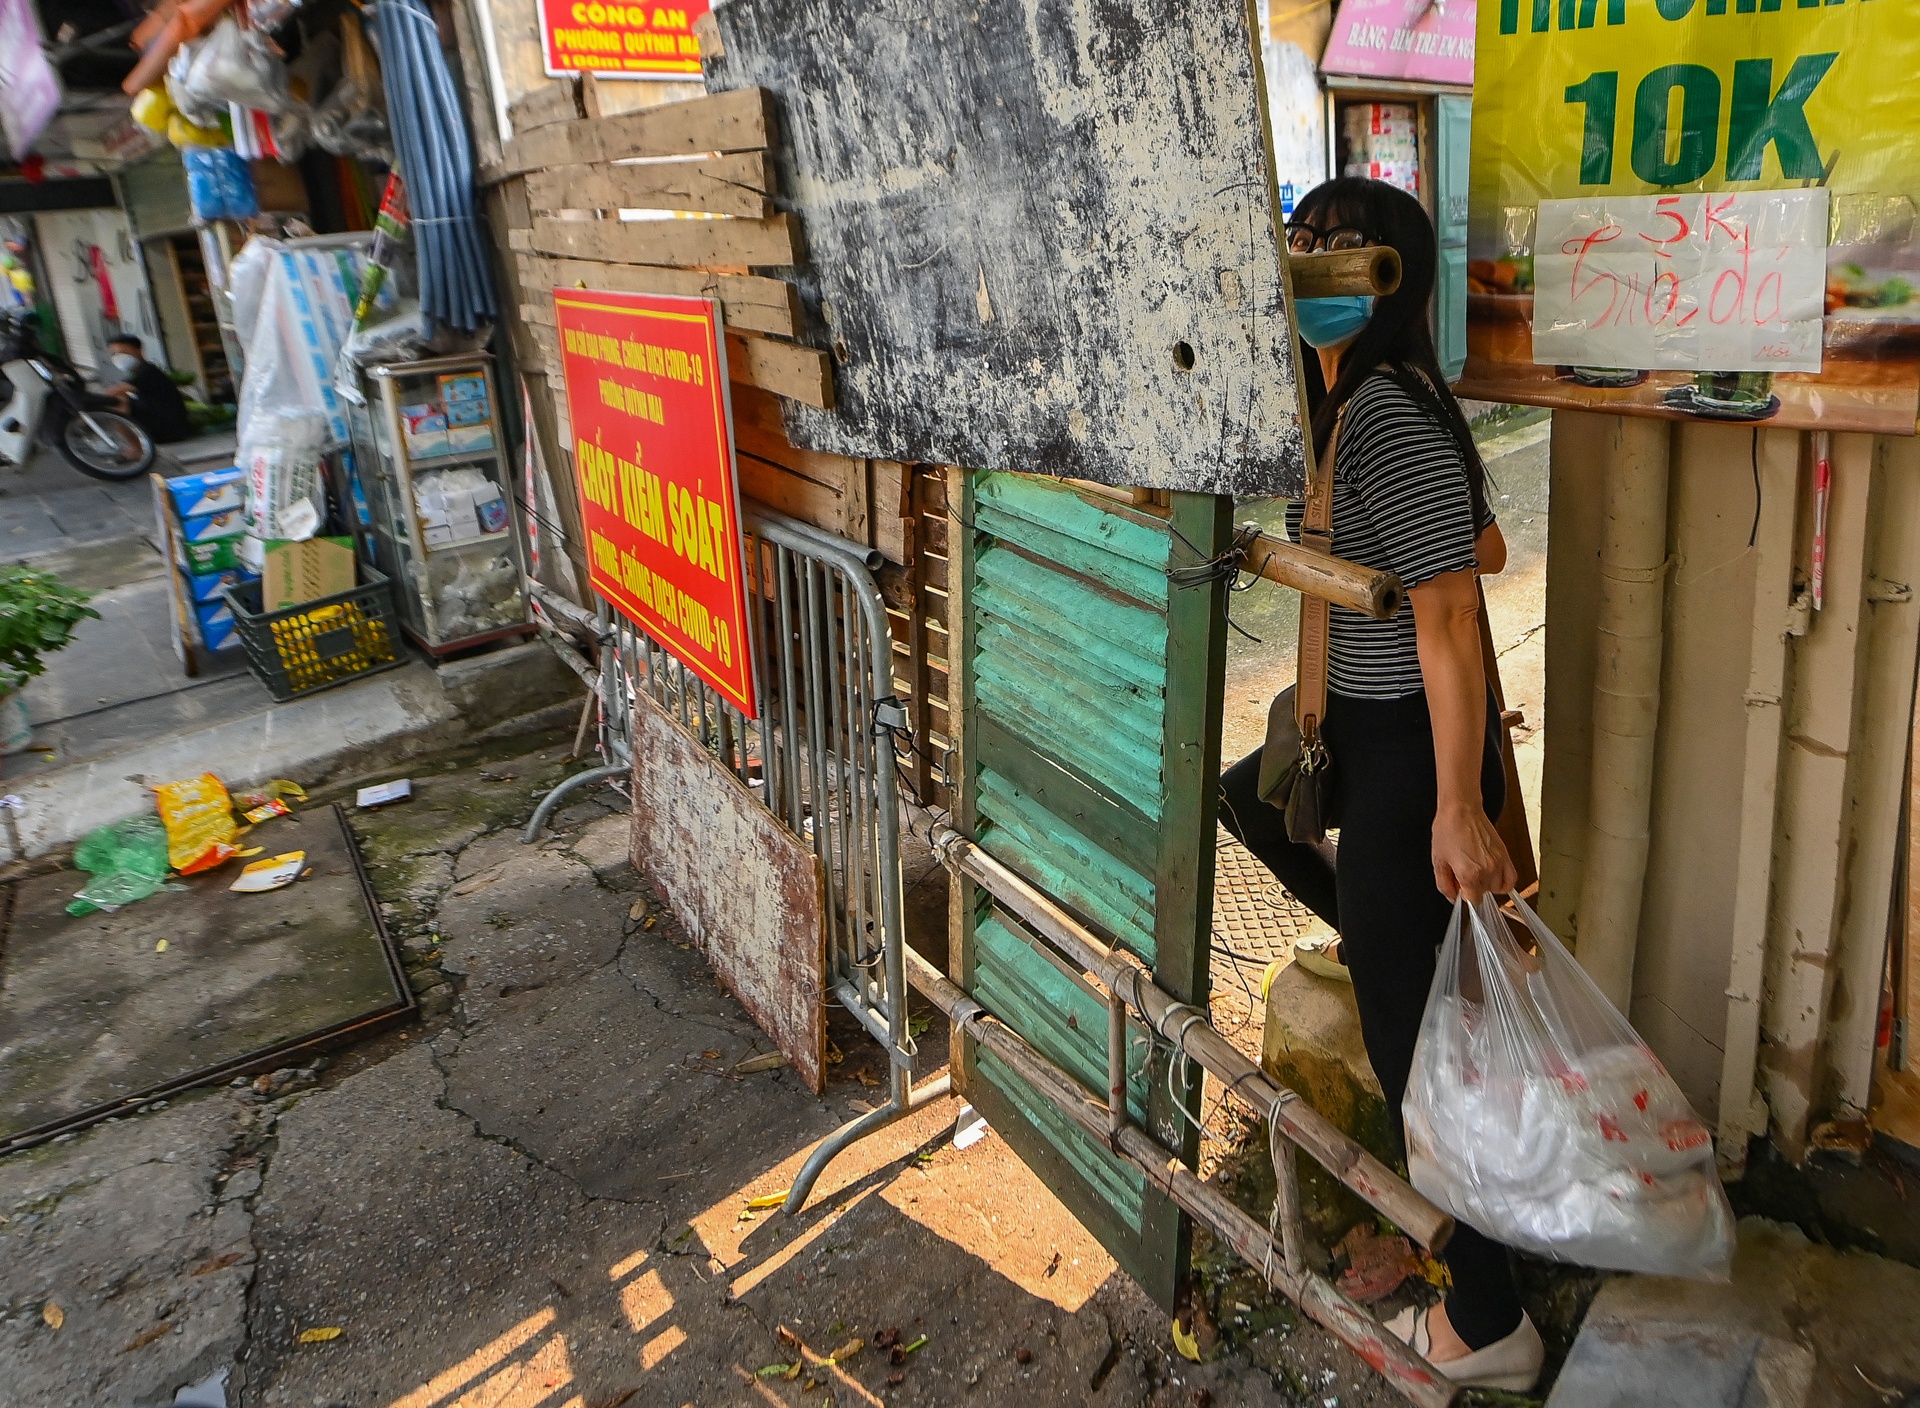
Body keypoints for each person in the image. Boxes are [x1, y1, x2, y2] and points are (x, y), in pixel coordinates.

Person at [1216, 177, 1543, 1393]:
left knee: (1412, 1058)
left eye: (1341, 245)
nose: (1310, 258)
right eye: (1302, 236)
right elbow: (1480, 541)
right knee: (1249, 799)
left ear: (1389, 277)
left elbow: (1453, 608)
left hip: (1410, 746)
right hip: (1351, 721)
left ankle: (1491, 1317)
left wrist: (1458, 805)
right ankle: (1381, 930)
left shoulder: (1388, 411)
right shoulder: (1350, 400)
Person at [98, 334, 192, 444]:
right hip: (159, 422)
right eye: (114, 354)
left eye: (123, 352)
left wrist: (90, 402)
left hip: (169, 429)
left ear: (138, 350)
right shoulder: (138, 372)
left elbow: (114, 392)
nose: (119, 357)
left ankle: (135, 447)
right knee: (121, 399)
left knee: (118, 403)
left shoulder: (148, 373)